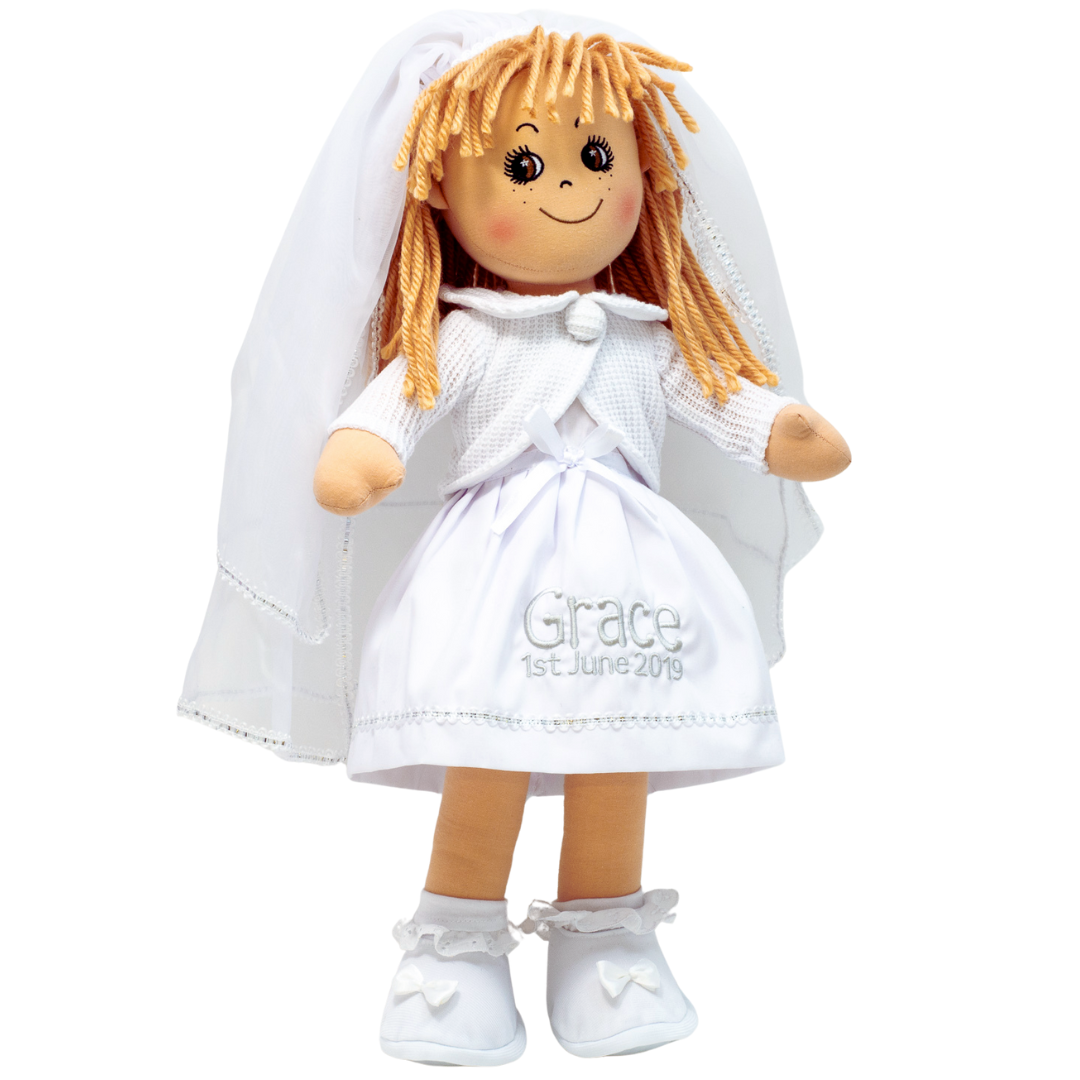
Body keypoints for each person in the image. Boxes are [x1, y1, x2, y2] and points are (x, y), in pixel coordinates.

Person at [180, 12, 849, 1066]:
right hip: (494, 581)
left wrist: (777, 428)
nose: (569, 187)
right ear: (442, 190)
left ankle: (606, 936)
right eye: (525, 165)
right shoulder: (465, 334)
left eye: (598, 158)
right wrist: (364, 448)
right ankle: (454, 944)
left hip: (633, 583)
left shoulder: (648, 339)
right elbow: (398, 408)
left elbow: (720, 398)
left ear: (644, 169)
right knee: (487, 749)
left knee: (618, 755)